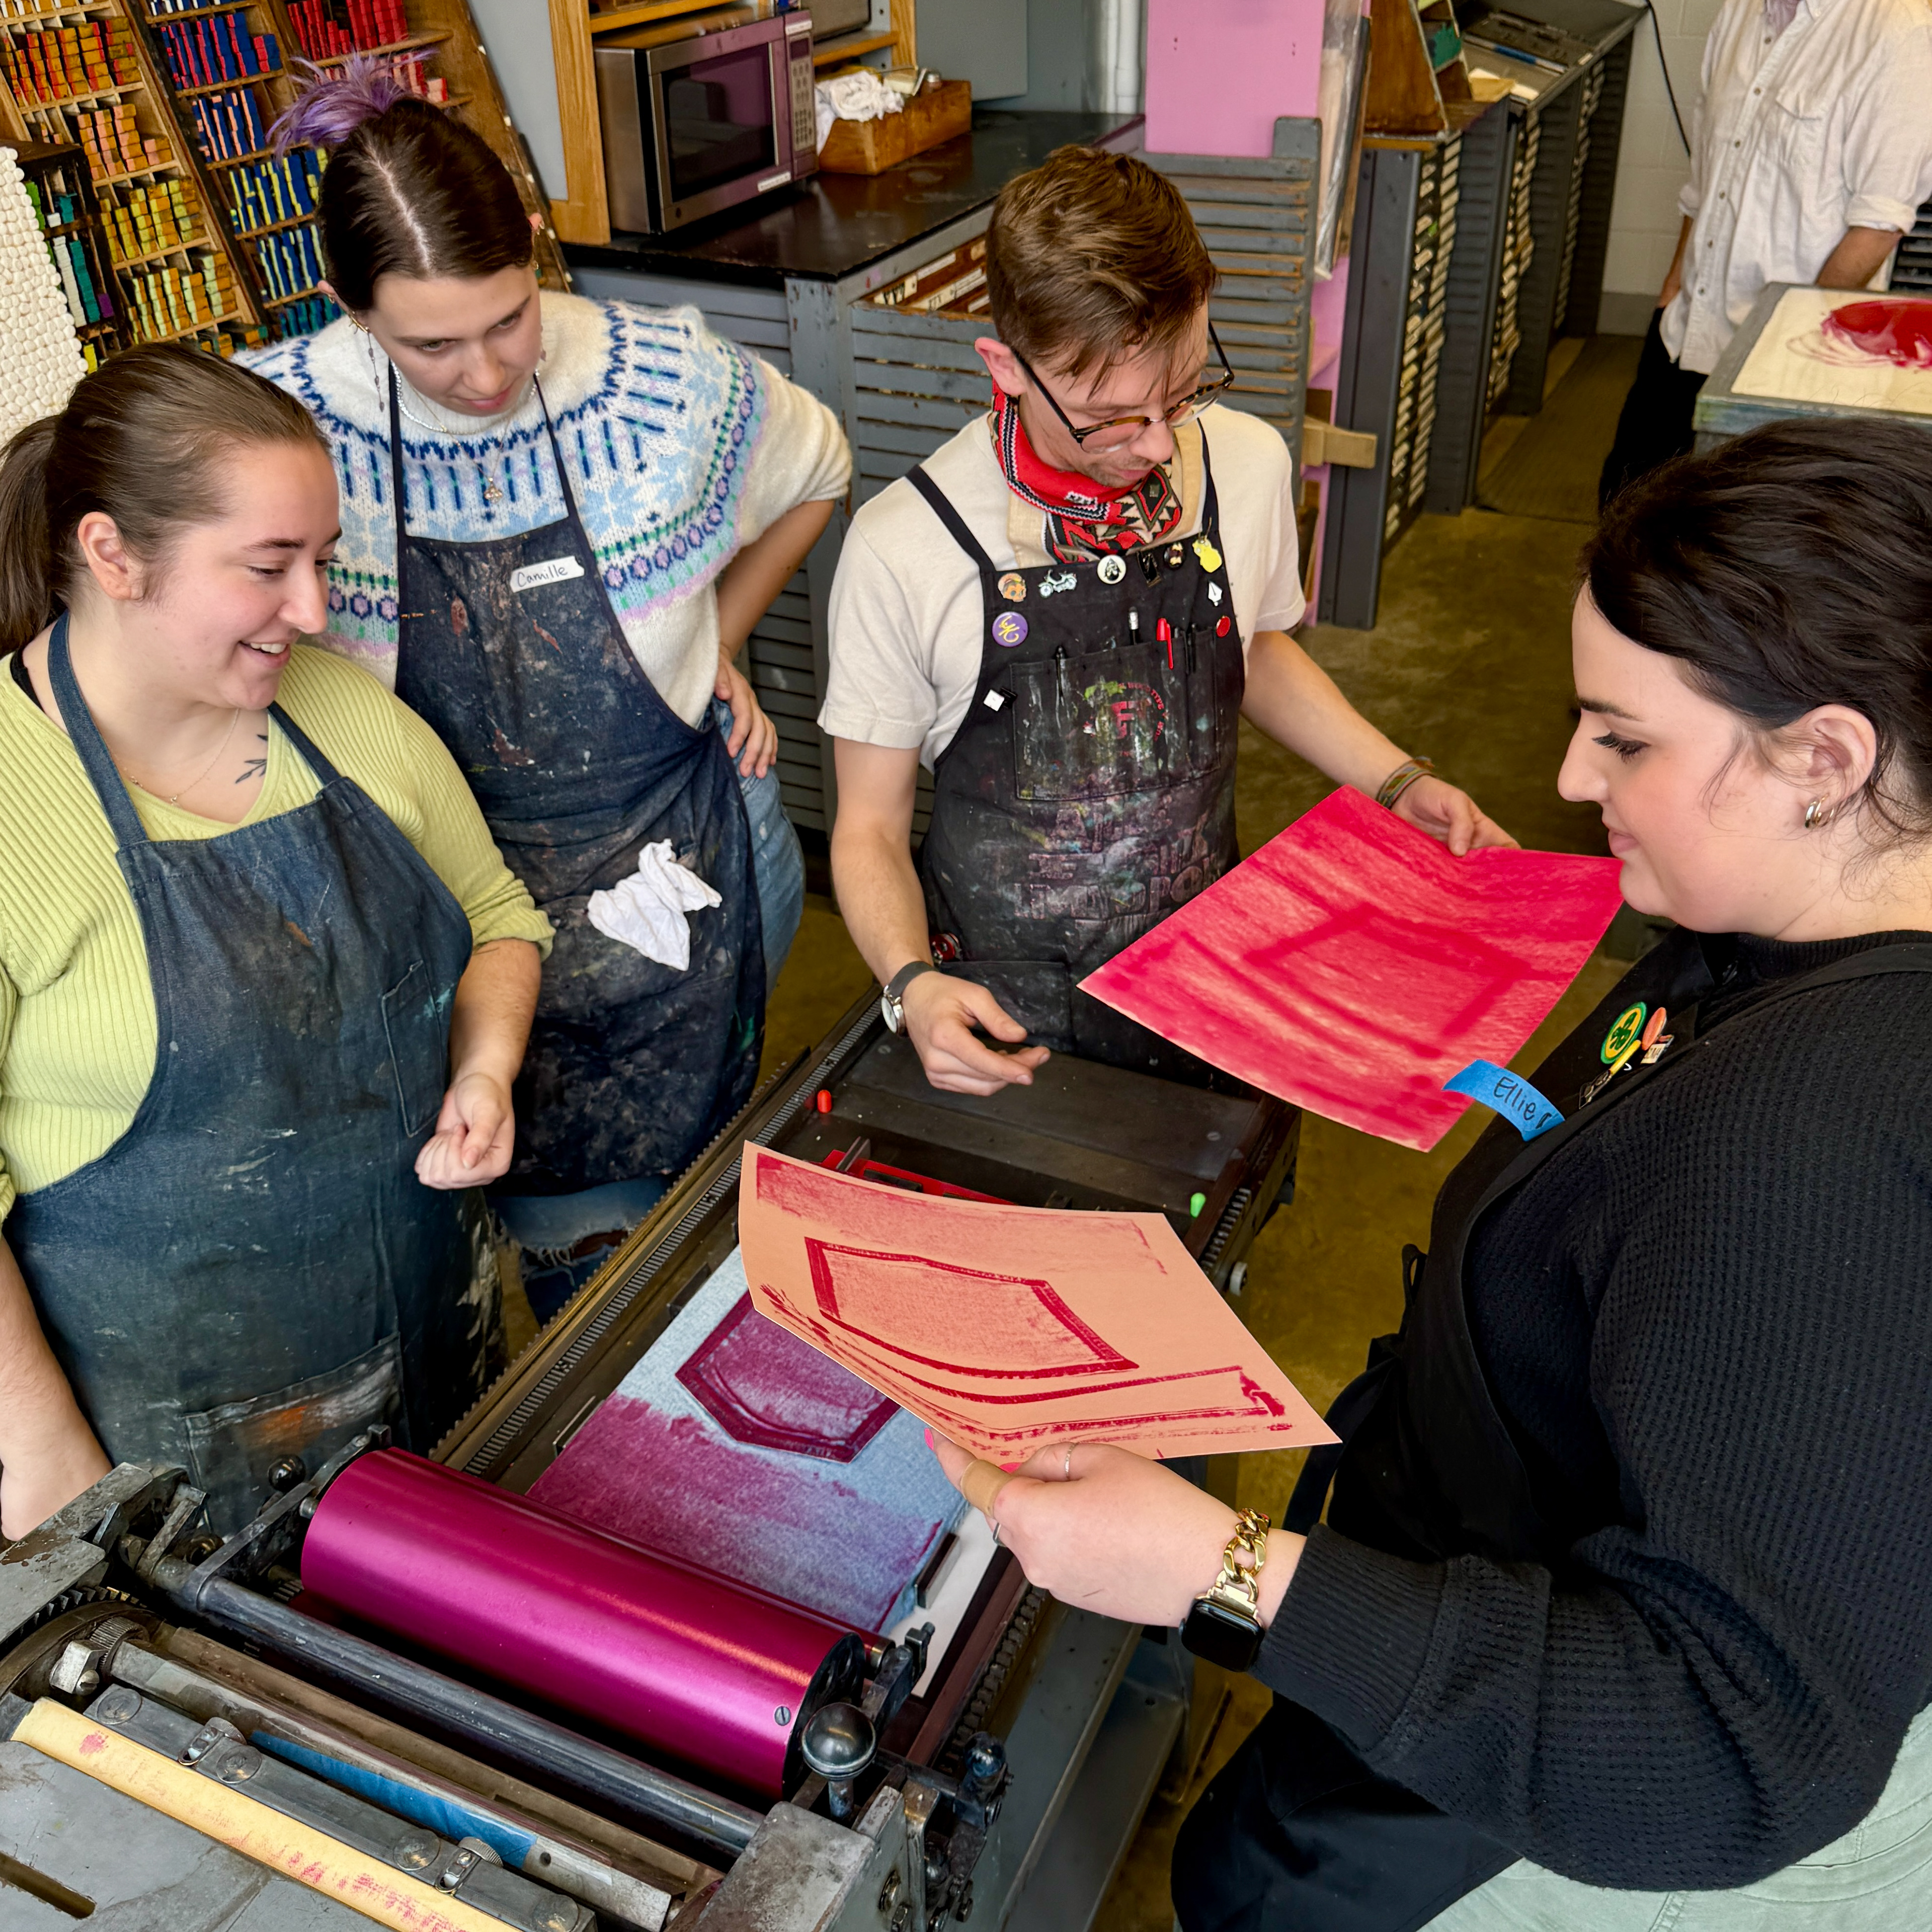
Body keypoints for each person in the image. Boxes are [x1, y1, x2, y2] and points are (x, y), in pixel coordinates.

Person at [935, 417, 1932, 1929]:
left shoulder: (1806, 1148)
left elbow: (1725, 1741)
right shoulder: (1780, 936)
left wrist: (1222, 1566)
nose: (1564, 769)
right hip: (1440, 1583)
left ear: (1824, 757)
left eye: (1625, 737)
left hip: (1506, 1795)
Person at [253, 63, 851, 1315]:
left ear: (531, 253)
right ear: (346, 305)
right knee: (548, 1265)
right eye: (429, 344)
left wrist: (709, 640)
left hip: (682, 883)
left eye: (507, 320)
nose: (481, 373)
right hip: (454, 911)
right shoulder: (280, 426)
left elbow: (819, 466)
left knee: (689, 1246)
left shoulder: (656, 383)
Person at [0, 348, 551, 1542]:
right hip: (169, 1462)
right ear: (111, 554)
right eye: (267, 568)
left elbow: (501, 919)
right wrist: (59, 1488)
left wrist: (485, 1063)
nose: (312, 611)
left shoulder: (348, 717)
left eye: (321, 560)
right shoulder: (11, 802)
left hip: (439, 1362)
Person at [823, 146, 1512, 1099]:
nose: (1157, 445)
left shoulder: (1246, 464)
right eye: (1111, 417)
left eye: (1181, 393)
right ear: (1006, 366)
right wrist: (912, 986)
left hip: (1209, 975)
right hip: (1002, 1017)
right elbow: (866, 825)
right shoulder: (907, 547)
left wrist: (1394, 780)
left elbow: (1254, 652)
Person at [1598, 0, 1932, 504]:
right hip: (1684, 333)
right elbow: (1705, 182)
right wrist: (1670, 295)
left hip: (1778, 377)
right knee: (1622, 508)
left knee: (1727, 554)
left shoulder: (1898, 29)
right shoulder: (1740, 11)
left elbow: (1876, 230)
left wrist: (1783, 351)